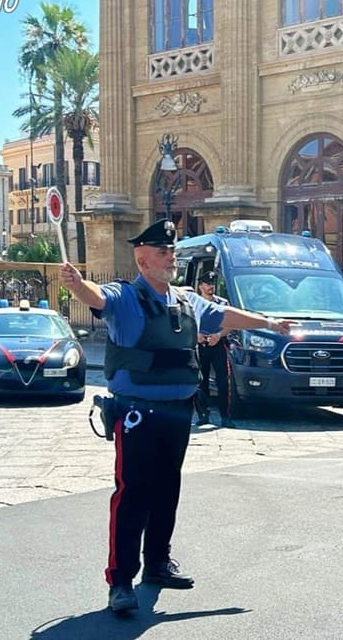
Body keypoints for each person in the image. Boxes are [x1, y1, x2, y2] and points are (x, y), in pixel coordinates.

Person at [58, 219, 292, 615]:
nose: (171, 258)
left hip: (178, 413)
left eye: (172, 251)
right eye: (163, 252)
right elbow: (95, 297)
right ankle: (120, 582)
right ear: (143, 260)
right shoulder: (125, 296)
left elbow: (224, 315)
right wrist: (76, 284)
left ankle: (157, 563)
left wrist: (268, 323)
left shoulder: (186, 300)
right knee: (132, 495)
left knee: (167, 491)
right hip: (137, 412)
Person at [193, 269, 234, 428]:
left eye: (213, 284)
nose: (211, 287)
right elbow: (187, 322)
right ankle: (203, 414)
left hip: (218, 345)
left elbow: (230, 324)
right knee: (200, 381)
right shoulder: (193, 302)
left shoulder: (222, 303)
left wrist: (219, 335)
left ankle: (225, 416)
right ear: (201, 286)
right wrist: (196, 334)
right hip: (200, 345)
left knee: (223, 381)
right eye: (208, 284)